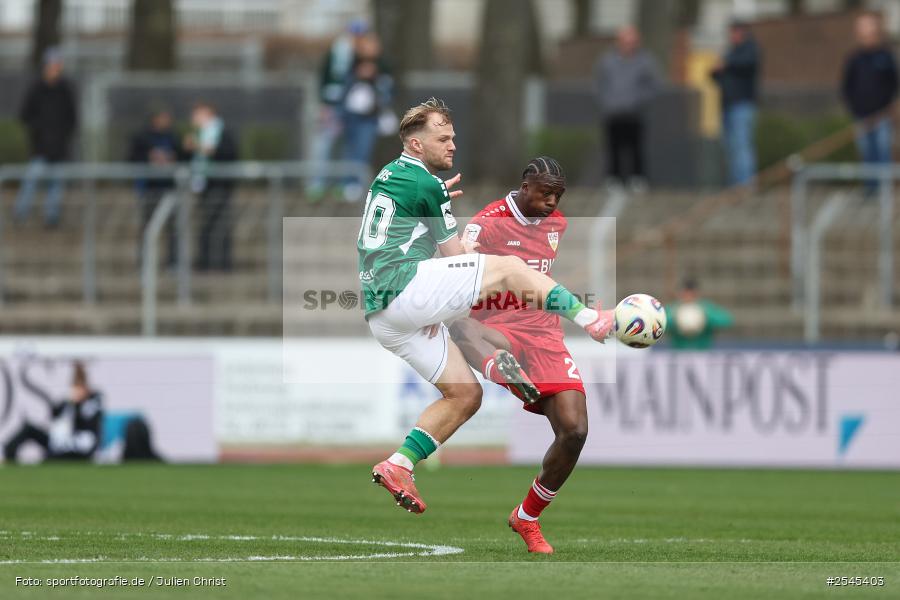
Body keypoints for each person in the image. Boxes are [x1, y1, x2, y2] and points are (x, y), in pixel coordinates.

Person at [362, 98, 615, 518]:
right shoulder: (425, 183)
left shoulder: (391, 175)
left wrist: (432, 307)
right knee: (509, 268)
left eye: (453, 137)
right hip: (405, 290)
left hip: (385, 315)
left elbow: (408, 240)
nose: (452, 144)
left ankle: (399, 464)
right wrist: (463, 252)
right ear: (416, 144)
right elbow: (453, 253)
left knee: (465, 394)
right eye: (442, 138)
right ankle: (592, 319)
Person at [443, 156, 585, 554]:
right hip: (495, 321)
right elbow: (456, 262)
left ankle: (526, 517)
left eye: (559, 194)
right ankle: (501, 372)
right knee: (459, 325)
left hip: (542, 331)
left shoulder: (557, 225)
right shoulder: (487, 222)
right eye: (546, 193)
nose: (553, 202)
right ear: (525, 186)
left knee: (574, 432)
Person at [308, 18, 372, 200]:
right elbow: (324, 78)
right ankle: (317, 184)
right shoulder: (337, 51)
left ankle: (345, 185)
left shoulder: (364, 54)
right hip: (332, 106)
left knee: (350, 147)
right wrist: (323, 103)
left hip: (353, 110)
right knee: (324, 144)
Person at [14, 47, 78, 227]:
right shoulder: (36, 89)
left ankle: (52, 217)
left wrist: (63, 135)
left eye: (58, 65)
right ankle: (20, 214)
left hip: (59, 147)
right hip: (40, 147)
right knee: (31, 181)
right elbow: (25, 115)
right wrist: (39, 131)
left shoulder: (65, 90)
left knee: (56, 186)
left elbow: (72, 118)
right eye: (52, 65)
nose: (55, 69)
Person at [593, 25, 661, 193]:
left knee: (636, 146)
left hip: (635, 112)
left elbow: (653, 85)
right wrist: (607, 101)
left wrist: (639, 100)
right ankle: (613, 178)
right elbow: (599, 84)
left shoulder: (646, 61)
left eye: (632, 42)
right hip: (613, 112)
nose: (628, 45)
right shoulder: (607, 61)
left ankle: (637, 178)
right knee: (613, 146)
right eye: (625, 41)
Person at [840, 13, 898, 191]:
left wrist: (889, 107)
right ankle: (870, 190)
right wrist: (855, 109)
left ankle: (885, 192)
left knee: (883, 153)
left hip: (882, 116)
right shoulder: (854, 59)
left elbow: (894, 84)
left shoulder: (886, 57)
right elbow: (846, 86)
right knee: (867, 154)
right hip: (862, 117)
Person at [3, 361, 103, 463]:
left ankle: (51, 458)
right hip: (59, 443)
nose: (77, 391)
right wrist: (69, 404)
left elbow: (87, 427)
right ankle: (9, 456)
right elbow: (55, 416)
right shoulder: (68, 403)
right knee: (28, 429)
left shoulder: (93, 401)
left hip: (79, 447)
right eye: (75, 386)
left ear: (86, 388)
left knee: (50, 457)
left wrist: (77, 406)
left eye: (80, 387)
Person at [339, 33, 394, 202]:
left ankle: (357, 184)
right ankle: (348, 184)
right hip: (351, 115)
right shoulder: (352, 63)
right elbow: (344, 87)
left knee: (363, 149)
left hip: (369, 116)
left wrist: (374, 77)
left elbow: (388, 90)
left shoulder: (383, 66)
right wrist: (358, 75)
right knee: (350, 150)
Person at [183, 101, 238, 271]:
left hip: (219, 185)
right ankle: (205, 262)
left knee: (219, 225)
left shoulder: (221, 133)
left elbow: (229, 154)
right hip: (204, 185)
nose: (193, 118)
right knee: (206, 225)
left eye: (197, 113)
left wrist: (204, 149)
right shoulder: (197, 135)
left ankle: (222, 263)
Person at [128, 108, 183, 268]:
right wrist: (149, 157)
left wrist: (173, 157)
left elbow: (182, 156)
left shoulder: (173, 137)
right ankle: (144, 262)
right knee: (147, 227)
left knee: (173, 229)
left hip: (169, 189)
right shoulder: (142, 137)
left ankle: (173, 263)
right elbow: (132, 157)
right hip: (149, 189)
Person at [711, 20, 760, 187]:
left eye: (734, 32)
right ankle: (735, 184)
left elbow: (746, 63)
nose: (731, 36)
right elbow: (717, 75)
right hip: (727, 105)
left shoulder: (749, 49)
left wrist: (726, 65)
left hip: (742, 106)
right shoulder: (730, 52)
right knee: (730, 147)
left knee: (742, 145)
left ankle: (746, 184)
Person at [664, 278, 734, 350]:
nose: (688, 295)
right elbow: (661, 323)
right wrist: (674, 319)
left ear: (697, 293)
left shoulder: (706, 307)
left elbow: (727, 320)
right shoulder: (673, 308)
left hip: (703, 353)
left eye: (691, 293)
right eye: (686, 292)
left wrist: (707, 317)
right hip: (678, 352)